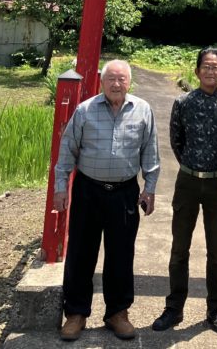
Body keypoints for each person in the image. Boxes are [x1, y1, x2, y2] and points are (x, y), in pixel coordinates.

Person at [54, 59, 159, 342]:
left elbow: (150, 153)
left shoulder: (143, 110)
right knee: (81, 252)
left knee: (121, 254)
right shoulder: (85, 110)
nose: (116, 84)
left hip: (124, 192)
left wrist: (149, 189)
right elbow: (67, 151)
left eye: (121, 79)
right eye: (111, 78)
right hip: (88, 190)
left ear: (129, 82)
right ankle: (76, 313)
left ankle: (117, 312)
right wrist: (61, 188)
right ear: (102, 81)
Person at [152, 46, 217, 336]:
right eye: (206, 66)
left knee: (216, 251)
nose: (210, 71)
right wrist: (192, 165)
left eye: (215, 67)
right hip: (188, 182)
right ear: (197, 70)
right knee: (180, 248)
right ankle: (174, 307)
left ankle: (215, 309)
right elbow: (176, 141)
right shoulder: (183, 103)